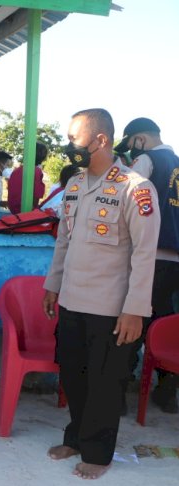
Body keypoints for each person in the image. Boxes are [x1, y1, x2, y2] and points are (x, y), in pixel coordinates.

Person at [42, 108, 160, 479]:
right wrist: (52, 285)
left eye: (74, 138)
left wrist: (135, 310)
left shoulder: (135, 188)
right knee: (74, 376)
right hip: (72, 301)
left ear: (101, 140)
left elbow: (144, 255)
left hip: (112, 308)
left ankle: (98, 452)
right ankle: (75, 437)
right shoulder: (74, 185)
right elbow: (64, 240)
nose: (69, 145)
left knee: (105, 384)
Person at [115, 117, 179, 413]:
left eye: (129, 145)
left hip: (148, 255)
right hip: (175, 257)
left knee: (132, 318)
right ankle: (167, 389)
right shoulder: (176, 162)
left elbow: (123, 202)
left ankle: (119, 389)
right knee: (165, 319)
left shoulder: (146, 160)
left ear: (139, 139)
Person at [7, 142, 47, 214]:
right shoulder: (36, 171)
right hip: (25, 213)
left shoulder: (16, 171)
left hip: (13, 211)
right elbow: (36, 195)